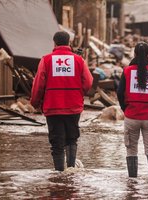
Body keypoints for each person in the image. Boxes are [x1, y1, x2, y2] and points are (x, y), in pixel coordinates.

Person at [30, 31, 93, 171]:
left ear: (54, 43)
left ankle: (59, 173)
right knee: (71, 139)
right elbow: (88, 82)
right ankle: (70, 171)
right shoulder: (78, 60)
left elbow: (38, 84)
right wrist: (78, 93)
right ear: (69, 42)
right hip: (73, 107)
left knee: (57, 142)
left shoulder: (46, 60)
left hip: (53, 107)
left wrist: (35, 102)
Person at [117, 42, 148, 177]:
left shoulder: (127, 71)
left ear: (134, 54)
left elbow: (120, 93)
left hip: (131, 116)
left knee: (131, 150)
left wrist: (125, 109)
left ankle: (132, 182)